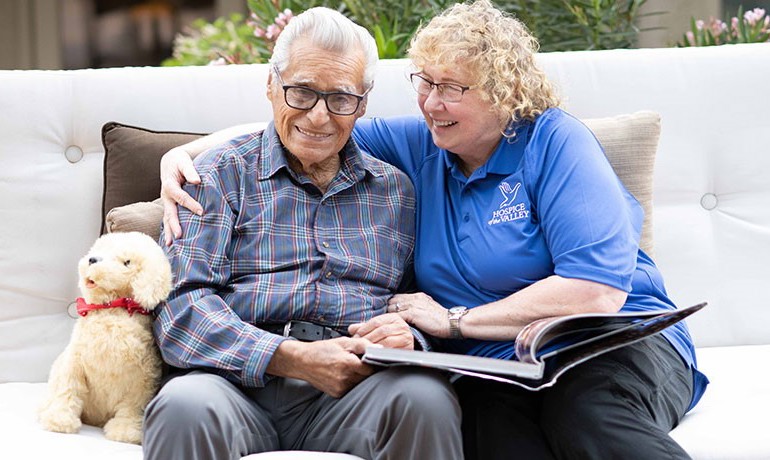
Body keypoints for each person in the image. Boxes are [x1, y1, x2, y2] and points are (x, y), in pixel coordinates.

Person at [160, 1, 708, 459]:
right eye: (425, 82)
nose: (430, 102)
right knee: (495, 433)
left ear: (504, 92)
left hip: (608, 340)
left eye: (453, 88)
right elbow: (305, 123)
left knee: (585, 413)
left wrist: (445, 323)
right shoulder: (422, 144)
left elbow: (596, 290)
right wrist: (180, 155)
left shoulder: (551, 143)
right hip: (500, 365)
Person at [143, 7, 463, 460]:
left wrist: (410, 338)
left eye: (340, 99)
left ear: (364, 103)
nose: (318, 116)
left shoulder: (396, 192)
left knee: (425, 400)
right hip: (233, 386)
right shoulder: (215, 176)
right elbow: (179, 310)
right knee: (183, 406)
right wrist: (290, 356)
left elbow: (415, 302)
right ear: (272, 85)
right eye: (302, 92)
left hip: (355, 393)